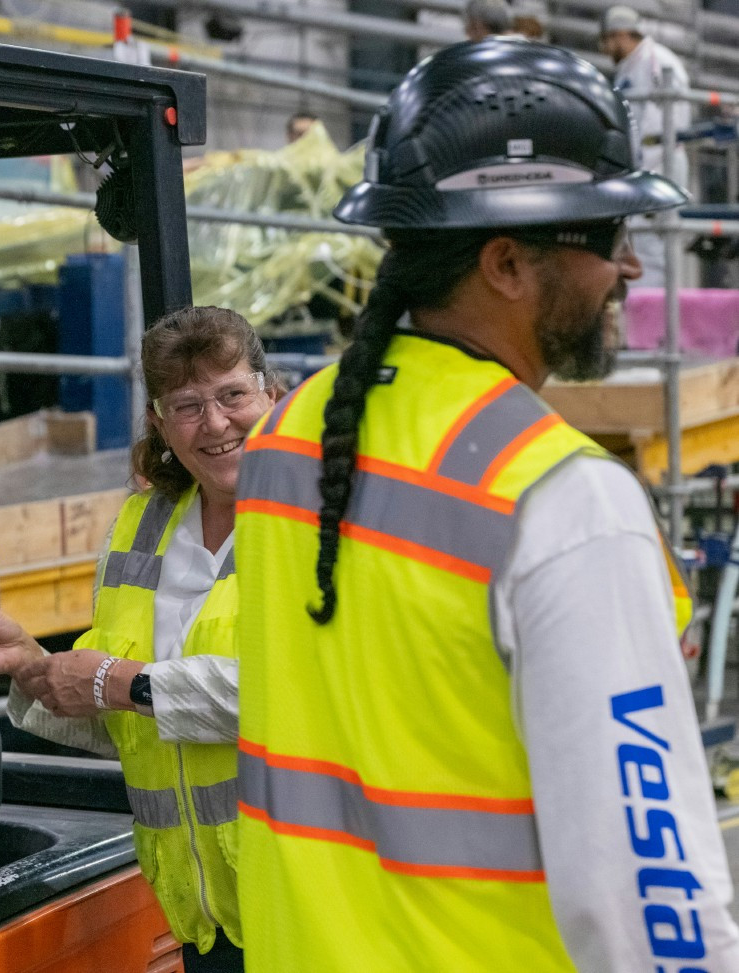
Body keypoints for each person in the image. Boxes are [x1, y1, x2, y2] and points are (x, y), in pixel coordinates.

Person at [231, 39, 739, 972]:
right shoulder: (561, 501)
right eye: (609, 237)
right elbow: (647, 893)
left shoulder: (288, 435)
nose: (627, 270)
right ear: (506, 261)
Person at [0, 306, 273, 972]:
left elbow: (291, 694)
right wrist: (35, 667)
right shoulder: (140, 528)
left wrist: (117, 679)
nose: (216, 422)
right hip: (205, 919)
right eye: (187, 405)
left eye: (233, 394)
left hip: (306, 904)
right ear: (160, 425)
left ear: (273, 395)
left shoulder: (316, 519)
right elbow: (134, 721)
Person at [601, 4, 691, 288]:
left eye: (607, 40)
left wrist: (643, 171)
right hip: (643, 164)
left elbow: (658, 125)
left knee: (653, 242)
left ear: (619, 35)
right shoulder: (632, 65)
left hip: (658, 162)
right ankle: (647, 313)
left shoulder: (655, 61)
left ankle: (655, 318)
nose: (605, 49)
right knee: (640, 241)